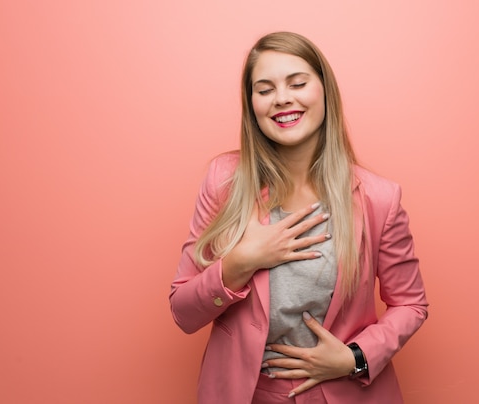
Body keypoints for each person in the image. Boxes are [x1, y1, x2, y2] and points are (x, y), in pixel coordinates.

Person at [169, 31, 428, 404]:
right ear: (252, 104)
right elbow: (183, 311)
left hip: (343, 394)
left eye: (297, 83)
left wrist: (354, 358)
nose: (282, 98)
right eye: (265, 89)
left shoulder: (379, 198)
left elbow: (411, 303)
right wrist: (240, 262)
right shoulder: (224, 181)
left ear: (324, 91)